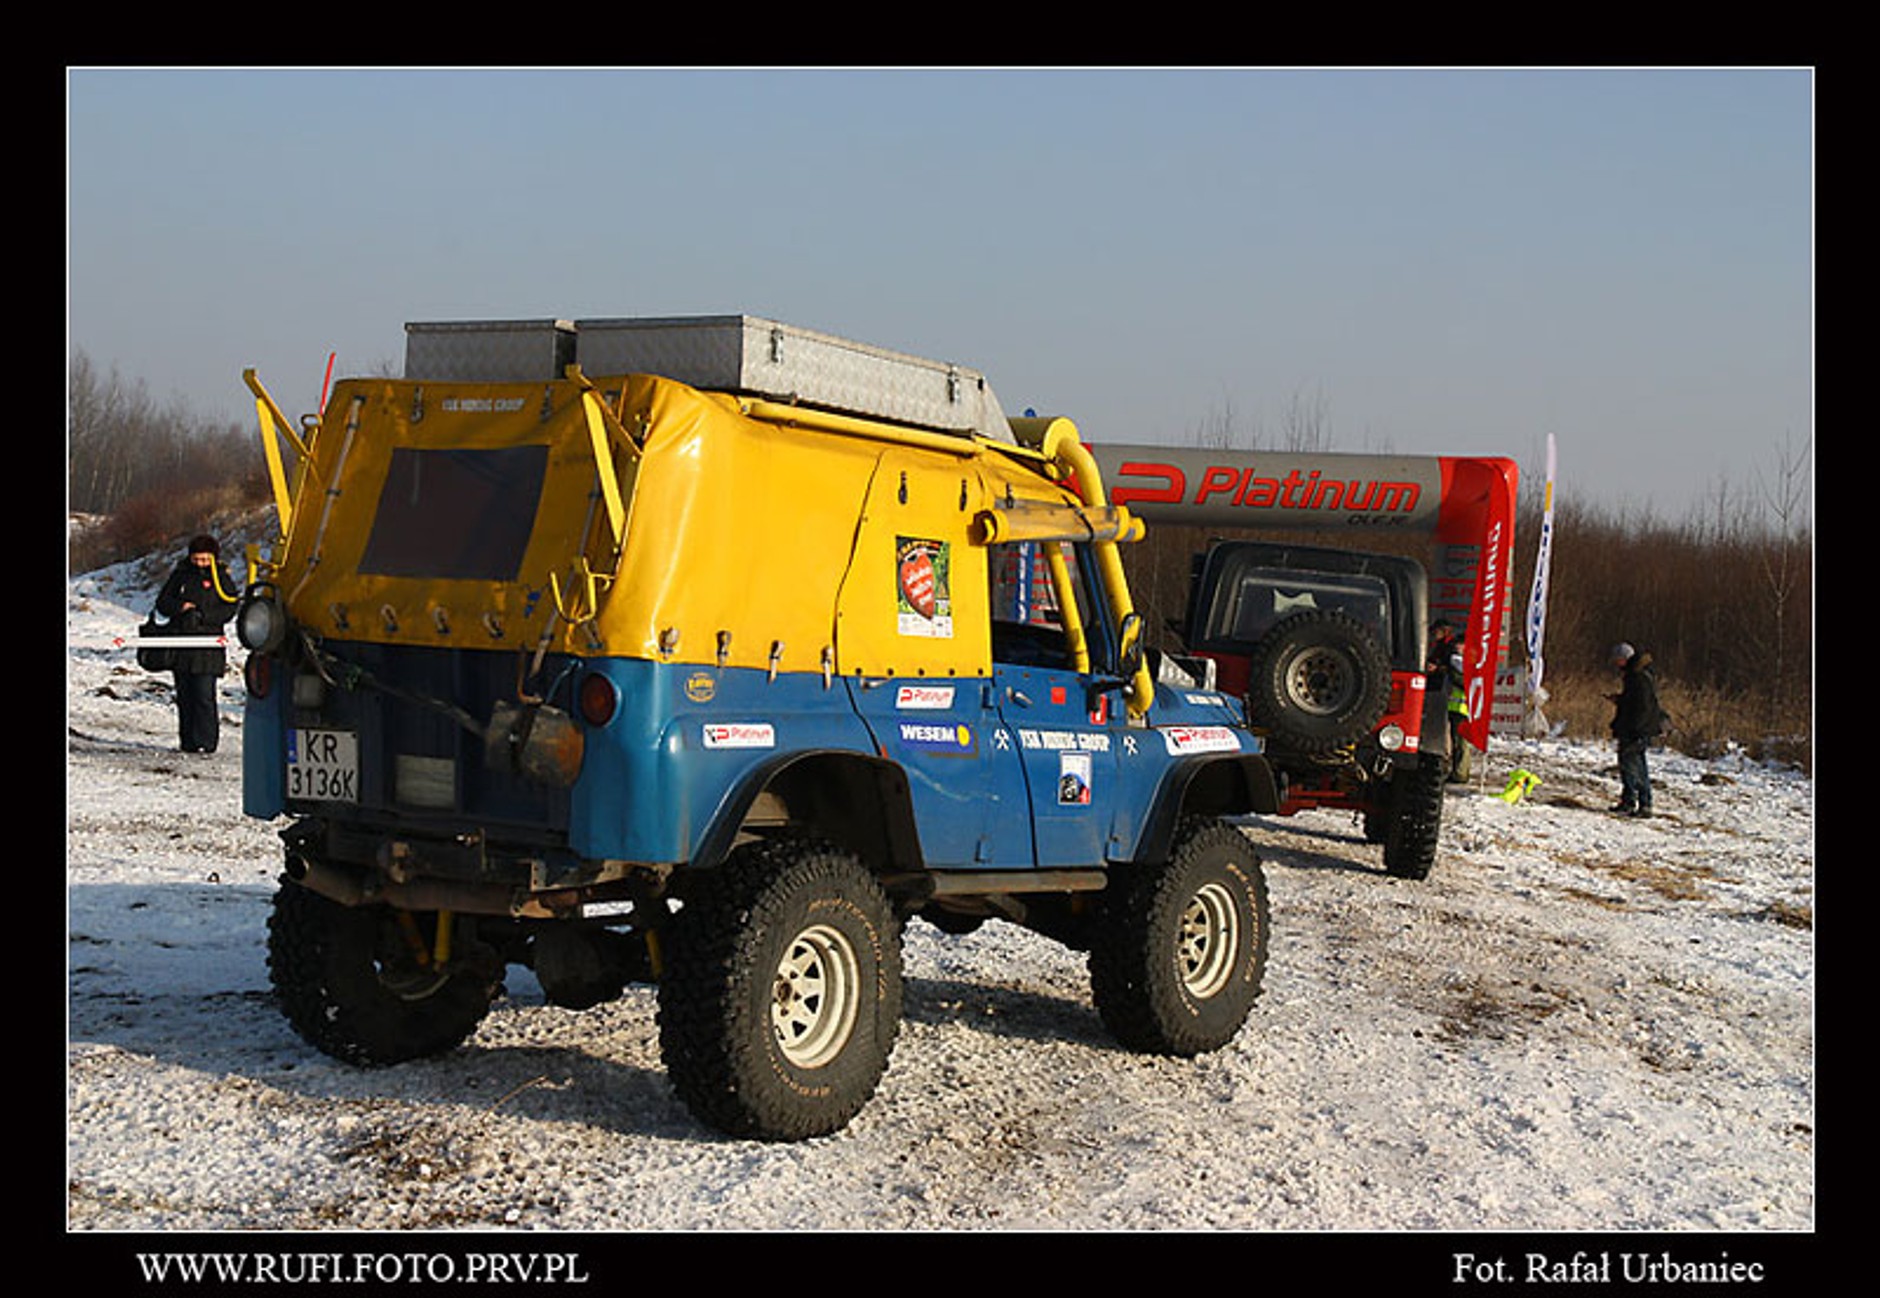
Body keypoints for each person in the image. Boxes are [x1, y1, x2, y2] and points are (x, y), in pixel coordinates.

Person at [154, 534, 240, 753]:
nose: (200, 564)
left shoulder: (221, 577)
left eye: (205, 559)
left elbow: (230, 607)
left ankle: (207, 743)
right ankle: (188, 742)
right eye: (197, 559)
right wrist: (182, 607)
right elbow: (163, 602)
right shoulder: (180, 575)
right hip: (181, 645)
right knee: (185, 696)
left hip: (208, 646)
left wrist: (204, 616)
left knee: (204, 695)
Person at [1606, 642, 1665, 817]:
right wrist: (1620, 699)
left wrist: (1636, 730)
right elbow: (1634, 702)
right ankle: (1629, 801)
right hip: (1633, 729)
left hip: (1636, 731)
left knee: (1635, 767)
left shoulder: (1638, 677)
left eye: (1618, 660)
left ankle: (1644, 804)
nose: (1616, 664)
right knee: (1628, 766)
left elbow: (1643, 707)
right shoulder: (1634, 675)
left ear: (1625, 659)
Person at [1427, 619, 1471, 782]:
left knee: (1461, 742)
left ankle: (1460, 773)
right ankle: (1457, 771)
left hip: (1462, 707)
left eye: (1436, 631)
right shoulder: (1446, 651)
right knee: (1455, 741)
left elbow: (1463, 681)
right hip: (1453, 705)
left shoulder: (1458, 657)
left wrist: (1441, 669)